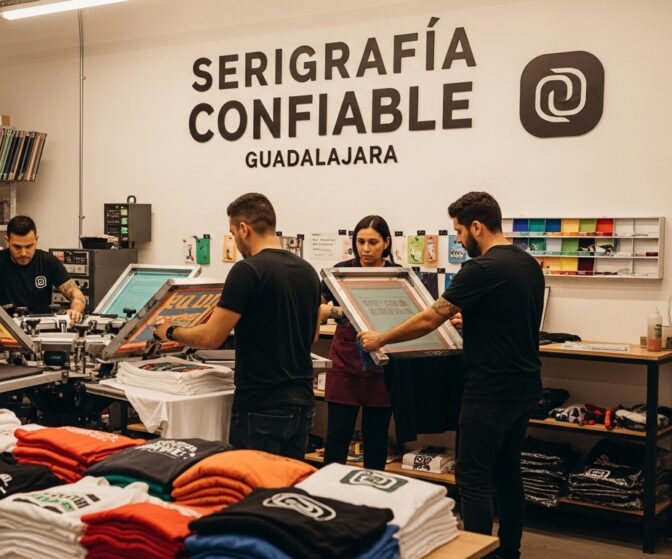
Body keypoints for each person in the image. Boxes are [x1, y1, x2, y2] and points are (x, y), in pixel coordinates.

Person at [359, 192, 544, 559]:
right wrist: (471, 319)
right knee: (507, 473)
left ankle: (476, 553)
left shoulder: (481, 268)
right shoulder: (527, 263)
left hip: (490, 389)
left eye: (459, 231)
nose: (458, 239)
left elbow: (431, 317)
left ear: (476, 226)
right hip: (525, 386)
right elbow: (506, 317)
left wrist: (383, 337)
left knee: (473, 477)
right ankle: (509, 551)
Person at [153, 193, 321, 459]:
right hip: (302, 404)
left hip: (261, 406)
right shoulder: (308, 271)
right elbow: (312, 336)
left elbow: (211, 338)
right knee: (287, 482)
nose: (235, 240)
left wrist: (170, 330)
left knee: (250, 483)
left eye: (232, 233)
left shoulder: (247, 270)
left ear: (243, 228)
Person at [319, 215, 398, 471]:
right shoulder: (341, 271)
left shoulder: (397, 275)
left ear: (386, 242)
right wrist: (335, 312)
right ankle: (329, 489)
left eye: (373, 242)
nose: (365, 249)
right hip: (344, 360)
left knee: (376, 437)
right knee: (337, 435)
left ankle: (374, 490)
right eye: (360, 241)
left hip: (382, 363)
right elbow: (318, 308)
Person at [0, 215, 86, 322]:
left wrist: (75, 311)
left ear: (36, 240)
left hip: (42, 329)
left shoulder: (48, 261)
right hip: (4, 329)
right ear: (7, 241)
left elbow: (76, 295)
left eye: (29, 246)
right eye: (17, 247)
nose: (23, 253)